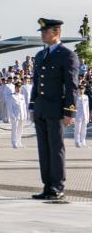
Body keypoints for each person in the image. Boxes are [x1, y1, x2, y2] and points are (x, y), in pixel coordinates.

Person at [30, 18, 79, 201]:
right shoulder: (40, 55)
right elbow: (36, 83)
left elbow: (71, 85)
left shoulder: (67, 55)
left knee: (56, 148)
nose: (42, 34)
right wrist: (32, 106)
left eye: (46, 31)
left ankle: (57, 187)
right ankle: (47, 186)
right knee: (44, 149)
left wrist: (69, 111)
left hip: (57, 109)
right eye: (42, 32)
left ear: (57, 32)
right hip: (41, 108)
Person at [7, 81, 27, 148]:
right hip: (15, 116)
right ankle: (14, 142)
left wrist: (25, 115)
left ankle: (19, 141)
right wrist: (12, 116)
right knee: (14, 129)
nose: (18, 89)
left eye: (19, 87)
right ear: (15, 88)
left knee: (20, 129)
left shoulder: (22, 96)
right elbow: (9, 107)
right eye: (17, 87)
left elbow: (24, 106)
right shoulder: (11, 96)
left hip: (21, 115)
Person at [75, 84, 89, 148]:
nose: (81, 90)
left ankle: (83, 141)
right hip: (78, 115)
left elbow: (87, 107)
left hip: (84, 115)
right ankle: (77, 142)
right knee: (78, 130)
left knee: (84, 130)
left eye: (82, 89)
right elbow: (74, 107)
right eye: (80, 89)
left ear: (84, 90)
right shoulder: (75, 97)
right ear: (78, 90)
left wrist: (88, 116)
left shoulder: (86, 97)